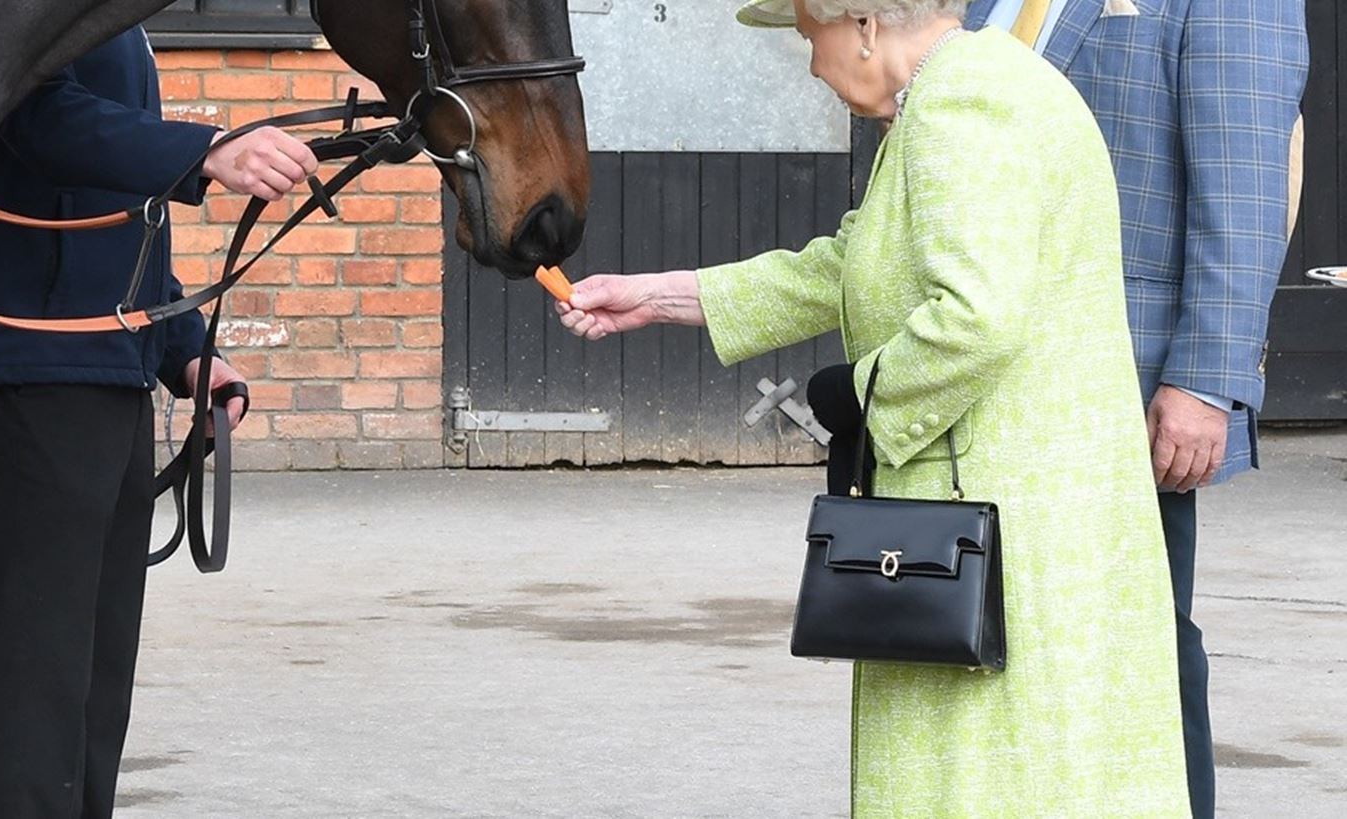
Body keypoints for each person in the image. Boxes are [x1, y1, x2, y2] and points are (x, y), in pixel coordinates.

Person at [557, 0, 1191, 814]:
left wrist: (859, 399)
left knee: (980, 778)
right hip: (1032, 511)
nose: (809, 61)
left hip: (1003, 517)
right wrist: (659, 295)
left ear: (859, 21)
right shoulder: (958, 91)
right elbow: (850, 263)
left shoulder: (962, 106)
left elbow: (976, 316)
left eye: (803, 35)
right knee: (1035, 771)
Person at [0, 26, 319, 818]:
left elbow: (125, 213)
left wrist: (184, 351)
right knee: (39, 673)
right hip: (28, 363)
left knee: (97, 678)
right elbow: (36, 120)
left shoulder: (119, 21)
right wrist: (206, 150)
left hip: (108, 366)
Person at [960, 2, 1309, 815]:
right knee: (997, 648)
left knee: (1137, 647)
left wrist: (1203, 379)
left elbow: (1245, 182)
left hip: (1123, 381)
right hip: (978, 378)